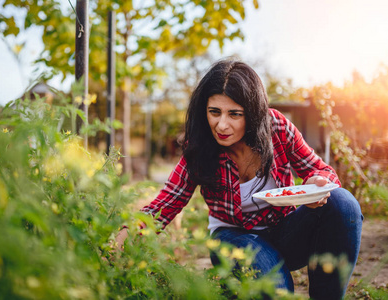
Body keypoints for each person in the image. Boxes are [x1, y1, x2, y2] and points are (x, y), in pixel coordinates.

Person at [116, 58, 363, 299]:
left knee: (343, 204)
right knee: (276, 289)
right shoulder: (200, 146)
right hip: (233, 238)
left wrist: (316, 184)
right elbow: (167, 202)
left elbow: (322, 171)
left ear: (253, 113)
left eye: (234, 114)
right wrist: (124, 235)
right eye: (214, 112)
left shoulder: (276, 127)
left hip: (285, 231)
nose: (222, 125)